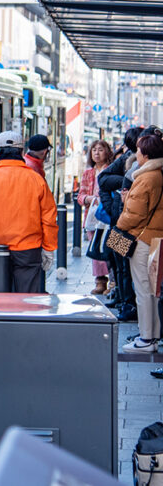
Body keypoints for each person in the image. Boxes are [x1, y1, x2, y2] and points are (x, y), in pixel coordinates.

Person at [0, 130, 59, 293]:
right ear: (22, 152)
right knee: (28, 301)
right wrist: (49, 248)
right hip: (28, 249)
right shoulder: (36, 180)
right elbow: (49, 218)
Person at [116, 132, 163, 353]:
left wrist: (122, 217)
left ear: (145, 154)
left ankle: (146, 338)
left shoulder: (145, 177)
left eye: (138, 150)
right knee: (153, 290)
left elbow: (134, 214)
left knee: (143, 290)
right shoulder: (159, 173)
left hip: (142, 240)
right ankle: (152, 335)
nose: (136, 154)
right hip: (156, 239)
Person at [99, 126, 144, 320]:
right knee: (119, 263)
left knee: (128, 267)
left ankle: (129, 304)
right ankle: (124, 301)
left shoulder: (150, 169)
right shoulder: (127, 159)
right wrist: (111, 207)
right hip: (121, 221)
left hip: (133, 224)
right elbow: (103, 179)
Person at [79, 140, 114, 294]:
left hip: (108, 216)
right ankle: (100, 281)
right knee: (95, 250)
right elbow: (80, 196)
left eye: (100, 150)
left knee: (109, 248)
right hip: (92, 218)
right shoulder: (88, 173)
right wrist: (89, 199)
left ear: (107, 152)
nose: (97, 153)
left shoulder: (112, 170)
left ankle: (113, 281)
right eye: (94, 150)